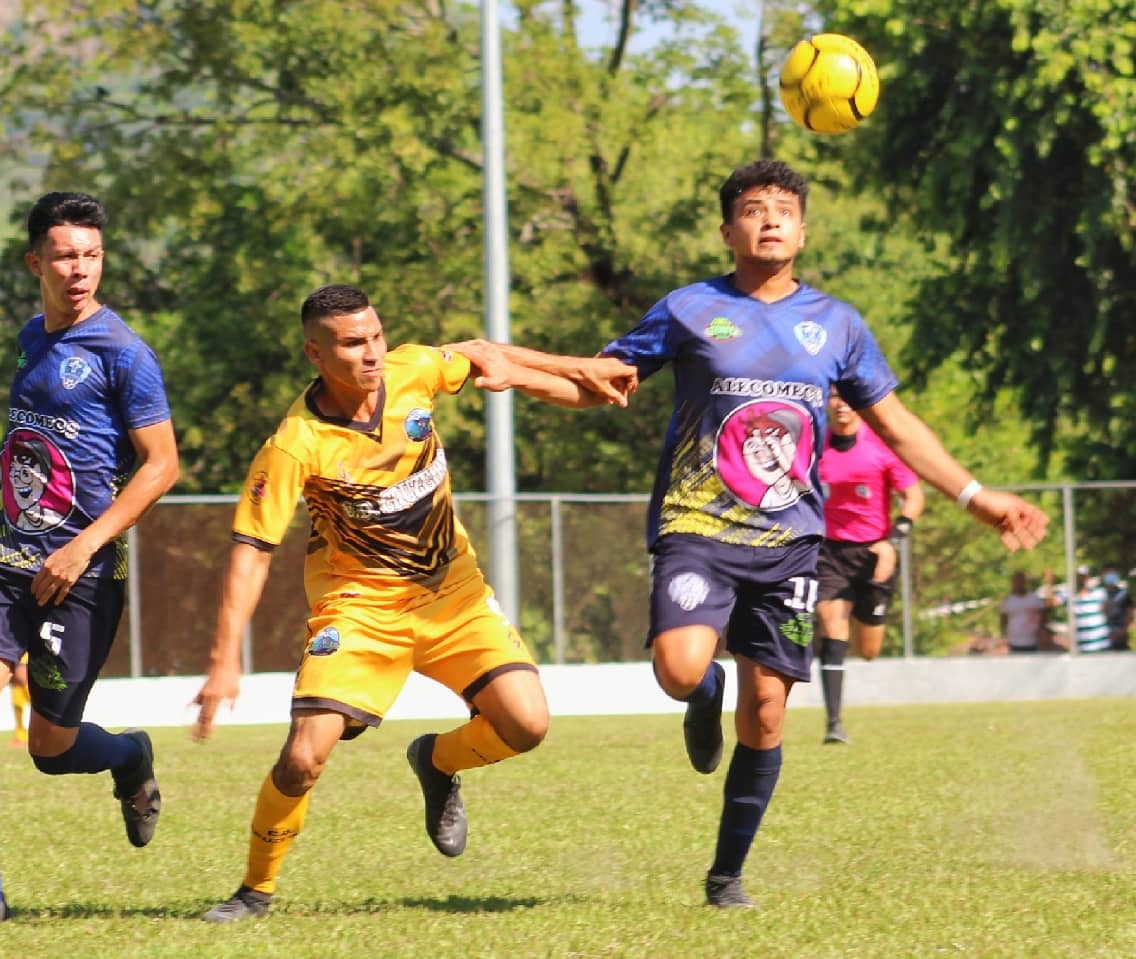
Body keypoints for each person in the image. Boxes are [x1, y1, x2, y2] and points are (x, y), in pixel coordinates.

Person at [450, 159, 1049, 909]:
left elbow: (897, 425)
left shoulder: (837, 324)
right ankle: (704, 692)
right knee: (678, 670)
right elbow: (603, 381)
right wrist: (518, 375)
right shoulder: (690, 307)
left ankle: (726, 875)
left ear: (803, 231)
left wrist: (973, 495)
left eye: (784, 210)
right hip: (697, 527)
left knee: (766, 711)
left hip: (791, 543)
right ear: (727, 230)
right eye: (754, 209)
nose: (770, 220)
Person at [189, 283, 618, 924]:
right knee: (303, 758)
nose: (371, 353)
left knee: (527, 725)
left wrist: (582, 370)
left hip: (454, 593)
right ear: (315, 354)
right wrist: (224, 661)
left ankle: (436, 761)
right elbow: (252, 550)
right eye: (351, 343)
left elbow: (483, 352)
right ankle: (254, 891)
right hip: (360, 608)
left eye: (376, 336)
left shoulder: (413, 370)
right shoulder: (295, 445)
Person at [0, 191, 181, 927]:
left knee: (50, 747)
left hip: (82, 572)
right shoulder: (29, 337)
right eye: (66, 255)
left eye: (92, 255)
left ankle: (129, 757)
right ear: (35, 261)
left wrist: (82, 545)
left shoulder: (125, 353)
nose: (80, 269)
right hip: (0, 553)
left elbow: (162, 465)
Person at [812, 394, 924, 744]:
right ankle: (834, 723)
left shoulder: (882, 446)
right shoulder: (813, 444)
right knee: (833, 626)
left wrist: (893, 541)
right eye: (834, 396)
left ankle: (861, 635)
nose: (840, 403)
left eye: (847, 397)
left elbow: (914, 496)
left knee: (869, 650)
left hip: (874, 553)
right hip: (829, 551)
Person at [998, 571, 1053, 653]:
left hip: (1033, 640)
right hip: (1014, 641)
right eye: (1017, 581)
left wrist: (1042, 631)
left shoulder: (1034, 598)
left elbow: (1044, 614)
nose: (1019, 584)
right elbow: (1003, 619)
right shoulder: (1008, 601)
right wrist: (1003, 636)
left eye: (1021, 581)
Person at [1072, 568, 1111, 652]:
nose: (1083, 580)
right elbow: (1051, 602)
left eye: (1085, 577)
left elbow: (1106, 612)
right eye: (1081, 577)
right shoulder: (1071, 595)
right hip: (1083, 647)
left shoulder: (1099, 592)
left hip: (1101, 645)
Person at [1101, 564, 1131, 651]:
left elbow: (1130, 616)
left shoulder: (1124, 594)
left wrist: (1120, 633)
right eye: (1108, 573)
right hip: (1100, 639)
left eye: (1113, 573)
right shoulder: (1098, 594)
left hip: (1120, 638)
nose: (1110, 576)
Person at [9, 653, 30, 746]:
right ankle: (21, 736)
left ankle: (48, 733)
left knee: (38, 703)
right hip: (14, 657)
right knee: (17, 702)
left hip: (24, 658)